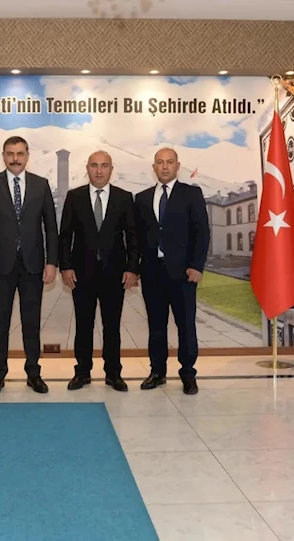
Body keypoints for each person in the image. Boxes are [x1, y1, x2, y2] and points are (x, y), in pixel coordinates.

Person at [0, 136, 58, 395]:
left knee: (31, 323)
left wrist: (51, 262)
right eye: (10, 153)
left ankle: (34, 374)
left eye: (20, 153)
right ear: (3, 156)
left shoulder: (41, 185)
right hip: (0, 267)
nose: (15, 158)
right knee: (0, 323)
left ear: (27, 155)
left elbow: (51, 227)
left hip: (33, 265)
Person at [58, 151, 138, 392]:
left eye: (104, 166)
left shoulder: (124, 198)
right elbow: (65, 236)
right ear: (87, 168)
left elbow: (133, 236)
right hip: (81, 274)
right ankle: (82, 373)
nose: (99, 170)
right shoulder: (75, 197)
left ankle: (113, 374)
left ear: (111, 169)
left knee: (112, 327)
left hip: (115, 274)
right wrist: (66, 266)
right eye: (94, 165)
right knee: (83, 326)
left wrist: (132, 268)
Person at [134, 148, 209, 395]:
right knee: (156, 326)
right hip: (152, 272)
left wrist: (197, 266)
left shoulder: (191, 194)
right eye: (160, 162)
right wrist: (134, 268)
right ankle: (157, 372)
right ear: (153, 167)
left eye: (169, 162)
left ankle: (188, 374)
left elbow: (202, 232)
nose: (164, 166)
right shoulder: (142, 198)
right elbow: (136, 238)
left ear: (178, 166)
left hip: (183, 273)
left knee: (185, 325)